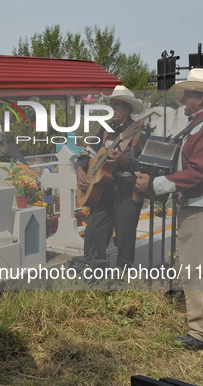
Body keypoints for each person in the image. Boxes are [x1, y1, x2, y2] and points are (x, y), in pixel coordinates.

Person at [135, 68, 203, 350]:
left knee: (199, 268)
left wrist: (157, 184)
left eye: (187, 93)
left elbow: (197, 171)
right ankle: (200, 325)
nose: (183, 98)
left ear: (200, 97)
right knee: (193, 265)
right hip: (199, 204)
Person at [75, 85, 148, 268]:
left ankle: (123, 281)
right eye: (111, 105)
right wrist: (80, 169)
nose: (112, 109)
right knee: (94, 229)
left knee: (124, 236)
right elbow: (87, 152)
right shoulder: (105, 129)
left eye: (117, 105)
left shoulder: (140, 133)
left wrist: (127, 161)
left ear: (128, 108)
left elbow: (148, 166)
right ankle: (93, 272)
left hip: (126, 190)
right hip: (102, 188)